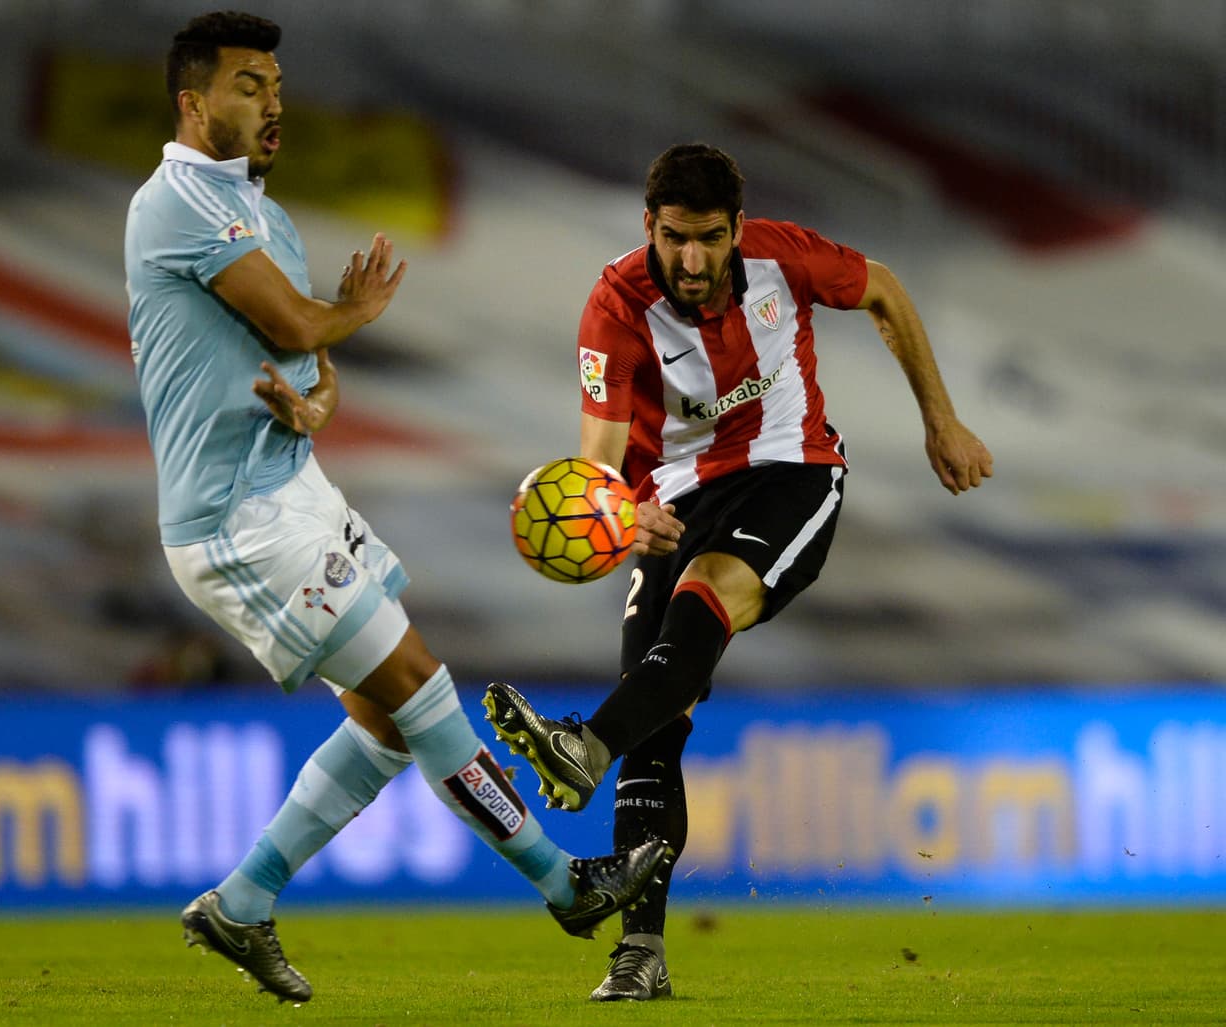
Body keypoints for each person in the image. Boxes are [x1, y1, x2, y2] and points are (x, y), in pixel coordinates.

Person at [124, 11, 667, 1005]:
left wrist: (313, 397)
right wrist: (353, 314)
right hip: (232, 520)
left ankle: (242, 904)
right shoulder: (177, 204)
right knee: (421, 686)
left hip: (292, 489)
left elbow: (307, 367)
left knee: (383, 721)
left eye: (276, 83)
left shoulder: (256, 211)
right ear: (193, 103)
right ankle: (565, 882)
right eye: (249, 85)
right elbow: (297, 320)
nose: (273, 100)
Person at [484, 142, 993, 1002]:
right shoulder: (614, 307)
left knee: (702, 599)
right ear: (649, 226)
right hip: (673, 504)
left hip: (791, 472)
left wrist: (940, 419)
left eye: (710, 238)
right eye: (676, 237)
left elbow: (884, 289)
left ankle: (583, 746)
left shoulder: (782, 259)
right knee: (657, 712)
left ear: (737, 231)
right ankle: (639, 953)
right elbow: (599, 458)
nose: (692, 259)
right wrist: (619, 510)